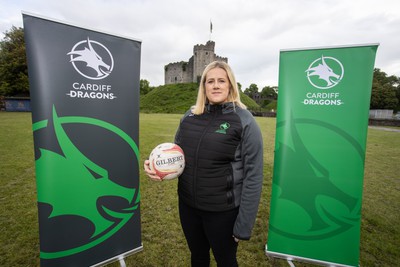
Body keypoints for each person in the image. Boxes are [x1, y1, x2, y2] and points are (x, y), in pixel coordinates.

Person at [144, 61, 264, 267]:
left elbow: (254, 175)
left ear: (230, 85)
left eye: (221, 81)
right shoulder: (189, 117)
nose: (215, 86)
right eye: (210, 81)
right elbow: (177, 156)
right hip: (188, 207)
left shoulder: (244, 120)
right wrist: (157, 168)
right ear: (203, 86)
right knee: (198, 257)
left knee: (225, 261)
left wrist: (244, 224)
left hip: (222, 212)